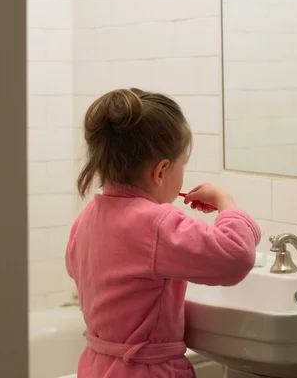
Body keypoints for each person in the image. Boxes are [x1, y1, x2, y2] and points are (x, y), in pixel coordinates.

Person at [66, 88, 261, 378]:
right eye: (183, 163)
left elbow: (80, 269)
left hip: (97, 366)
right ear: (161, 171)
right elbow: (236, 256)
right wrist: (226, 204)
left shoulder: (87, 217)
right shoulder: (155, 224)